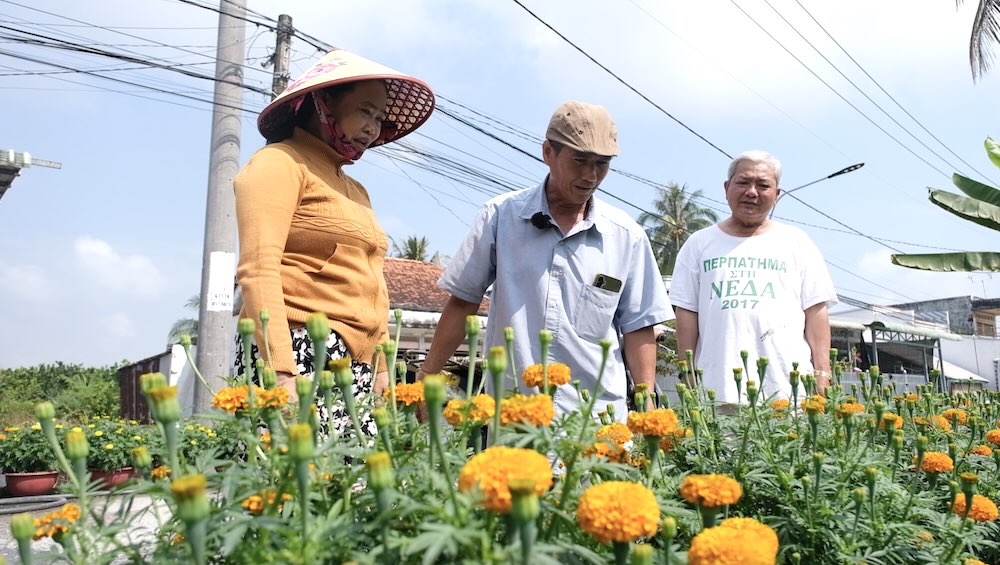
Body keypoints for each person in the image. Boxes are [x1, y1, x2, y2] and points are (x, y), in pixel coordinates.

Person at [416, 101, 671, 421]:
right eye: (580, 161)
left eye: (602, 164)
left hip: (596, 419)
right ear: (548, 152)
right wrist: (428, 376)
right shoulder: (500, 217)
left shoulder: (626, 236)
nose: (591, 176)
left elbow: (639, 328)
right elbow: (462, 303)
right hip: (514, 413)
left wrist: (646, 408)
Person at [232, 49, 435, 436]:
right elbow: (258, 270)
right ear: (324, 103)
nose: (374, 128)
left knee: (352, 491)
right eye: (365, 111)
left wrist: (379, 368)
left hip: (352, 363)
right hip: (300, 351)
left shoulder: (356, 190)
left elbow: (372, 283)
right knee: (297, 488)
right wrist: (281, 373)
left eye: (380, 118)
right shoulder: (279, 163)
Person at [670, 150, 837, 404]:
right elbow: (687, 314)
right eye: (743, 182)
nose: (751, 192)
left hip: (788, 392)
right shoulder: (698, 244)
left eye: (763, 185)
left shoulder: (797, 242)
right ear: (727, 188)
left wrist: (822, 374)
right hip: (717, 393)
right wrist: (687, 376)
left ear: (777, 195)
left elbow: (816, 313)